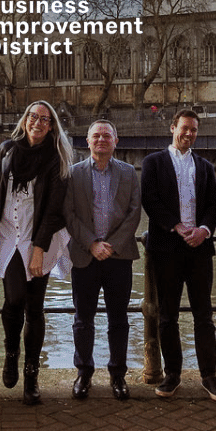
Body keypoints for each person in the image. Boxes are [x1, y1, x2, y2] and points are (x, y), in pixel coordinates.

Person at [141, 109, 216, 401]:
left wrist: (204, 229)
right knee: (167, 316)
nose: (189, 134)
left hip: (199, 249)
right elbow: (149, 199)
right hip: (166, 248)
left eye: (194, 130)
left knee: (204, 315)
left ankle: (209, 376)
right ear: (173, 127)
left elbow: (214, 205)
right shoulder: (153, 162)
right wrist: (176, 226)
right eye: (185, 128)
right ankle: (172, 374)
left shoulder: (204, 166)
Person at [0, 100, 72, 405]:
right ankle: (11, 353)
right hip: (6, 236)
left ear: (52, 126)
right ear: (25, 120)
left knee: (34, 307)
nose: (37, 123)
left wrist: (38, 249)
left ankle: (31, 373)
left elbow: (54, 209)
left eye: (45, 119)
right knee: (13, 298)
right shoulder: (7, 150)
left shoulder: (56, 159)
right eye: (33, 117)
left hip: (37, 236)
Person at [64, 120, 141, 401]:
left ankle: (117, 374)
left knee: (118, 319)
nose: (101, 140)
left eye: (106, 135)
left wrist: (112, 246)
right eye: (96, 136)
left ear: (116, 141)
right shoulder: (73, 174)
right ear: (87, 141)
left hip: (119, 257)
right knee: (83, 319)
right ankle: (84, 372)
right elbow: (69, 214)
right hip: (85, 255)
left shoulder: (129, 173)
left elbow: (134, 213)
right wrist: (92, 243)